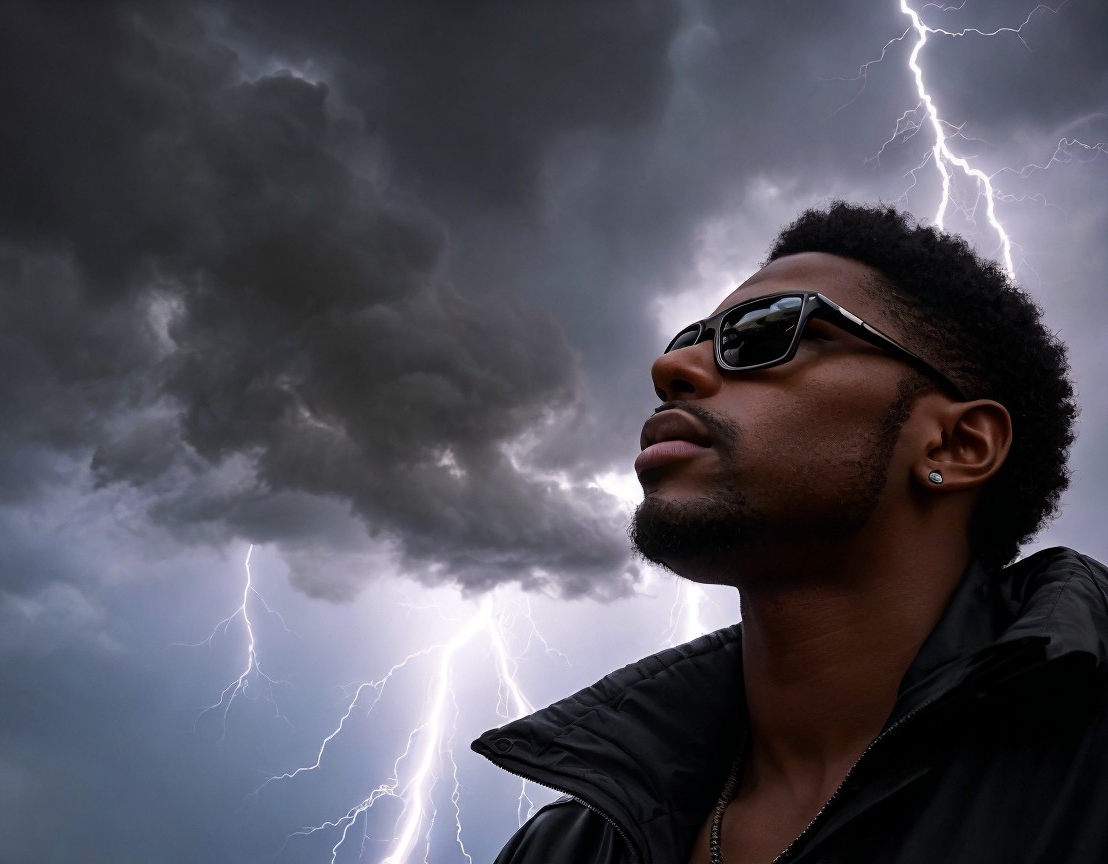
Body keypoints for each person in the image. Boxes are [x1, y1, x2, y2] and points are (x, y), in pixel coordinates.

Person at [472, 202, 1108, 864]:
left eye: (764, 331)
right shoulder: (569, 846)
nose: (673, 370)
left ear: (955, 444)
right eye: (686, 338)